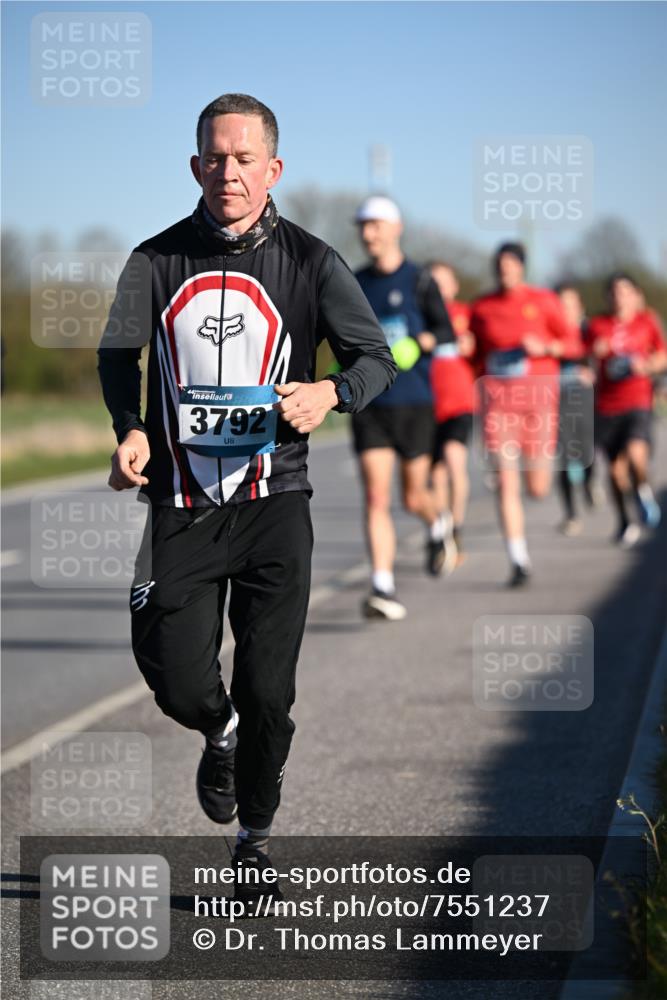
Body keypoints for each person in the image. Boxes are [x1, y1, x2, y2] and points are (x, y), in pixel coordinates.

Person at [97, 93, 396, 910]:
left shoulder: (311, 261)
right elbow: (117, 355)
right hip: (181, 503)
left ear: (273, 169)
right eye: (214, 158)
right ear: (195, 165)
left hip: (274, 503)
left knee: (269, 691)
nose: (227, 172)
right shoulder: (153, 259)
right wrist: (130, 428)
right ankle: (216, 731)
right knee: (177, 680)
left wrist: (330, 393)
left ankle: (253, 840)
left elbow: (376, 359)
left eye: (243, 158)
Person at [351, 196, 457, 620]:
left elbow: (445, 330)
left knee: (413, 497)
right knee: (376, 496)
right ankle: (382, 586)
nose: (368, 233)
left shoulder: (419, 280)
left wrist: (418, 343)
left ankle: (437, 523)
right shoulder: (354, 282)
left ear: (396, 228)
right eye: (363, 226)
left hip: (413, 401)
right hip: (371, 403)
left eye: (375, 225)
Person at [469, 242, 568, 586]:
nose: (505, 270)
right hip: (499, 407)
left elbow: (573, 343)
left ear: (522, 267)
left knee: (538, 487)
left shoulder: (544, 301)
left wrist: (546, 347)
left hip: (538, 404)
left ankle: (535, 494)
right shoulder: (482, 308)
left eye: (510, 264)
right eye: (500, 265)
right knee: (506, 483)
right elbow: (474, 354)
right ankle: (518, 559)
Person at [587, 272, 667, 547]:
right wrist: (593, 354)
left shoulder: (647, 322)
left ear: (635, 295)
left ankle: (643, 492)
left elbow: (662, 356)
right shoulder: (597, 325)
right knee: (615, 472)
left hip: (638, 402)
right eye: (614, 292)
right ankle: (624, 520)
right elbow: (581, 359)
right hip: (607, 406)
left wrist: (647, 366)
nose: (619, 297)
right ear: (607, 297)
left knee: (636, 454)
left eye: (624, 291)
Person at [428, 261, 478, 565]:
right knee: (435, 473)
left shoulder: (466, 314)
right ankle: (442, 529)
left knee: (454, 461)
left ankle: (456, 529)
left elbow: (481, 348)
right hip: (428, 404)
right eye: (433, 282)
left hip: (460, 402)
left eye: (444, 282)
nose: (439, 288)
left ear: (455, 286)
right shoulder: (421, 316)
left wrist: (471, 344)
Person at [553, 282, 598, 535]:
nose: (566, 310)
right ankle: (570, 514)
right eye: (561, 305)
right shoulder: (550, 331)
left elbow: (601, 358)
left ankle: (590, 482)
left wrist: (591, 372)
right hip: (557, 400)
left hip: (586, 399)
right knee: (564, 457)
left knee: (587, 450)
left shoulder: (589, 330)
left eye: (570, 305)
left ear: (580, 307)